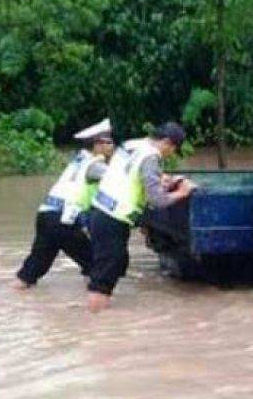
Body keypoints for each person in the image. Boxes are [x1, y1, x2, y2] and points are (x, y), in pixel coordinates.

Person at [86, 122, 196, 312]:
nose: (169, 155)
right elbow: (157, 200)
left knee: (112, 265)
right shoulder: (151, 157)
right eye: (172, 150)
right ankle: (96, 325)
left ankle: (98, 316)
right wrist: (182, 192)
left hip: (99, 212)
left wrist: (158, 178)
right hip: (114, 218)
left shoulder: (131, 144)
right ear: (167, 143)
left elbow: (126, 173)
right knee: (103, 278)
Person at [13, 119, 115, 289]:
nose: (113, 146)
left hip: (46, 215)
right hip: (63, 220)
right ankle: (95, 308)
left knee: (32, 269)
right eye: (109, 142)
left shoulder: (79, 160)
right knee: (96, 264)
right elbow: (121, 179)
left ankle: (17, 292)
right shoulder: (94, 166)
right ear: (97, 145)